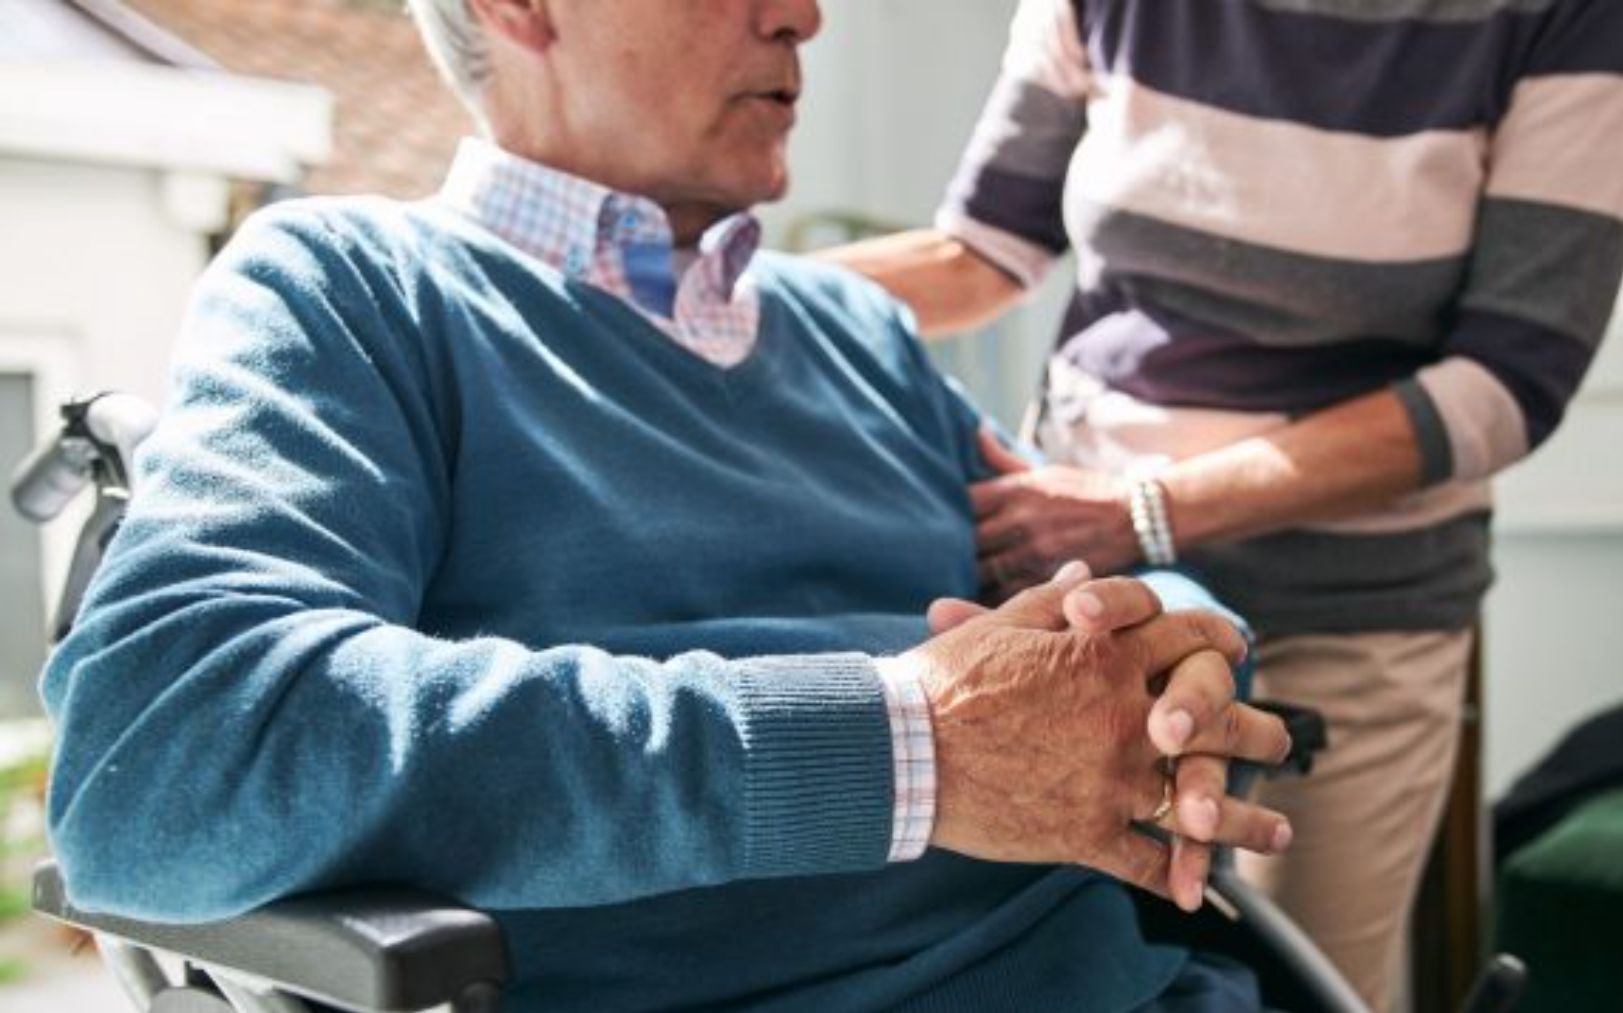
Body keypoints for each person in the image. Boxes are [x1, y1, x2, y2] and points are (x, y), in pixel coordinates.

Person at [38, 1, 1300, 1011]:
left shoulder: (859, 329)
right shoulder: (353, 291)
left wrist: (1178, 638)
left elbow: (1068, 593)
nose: (805, 17)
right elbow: (166, 757)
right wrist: (899, 746)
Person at [825, 1, 1623, 1008]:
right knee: (1069, 962)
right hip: (1098, 599)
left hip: (1348, 608)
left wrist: (1146, 507)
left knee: (1304, 981)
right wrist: (712, 279)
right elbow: (981, 252)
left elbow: (1506, 382)